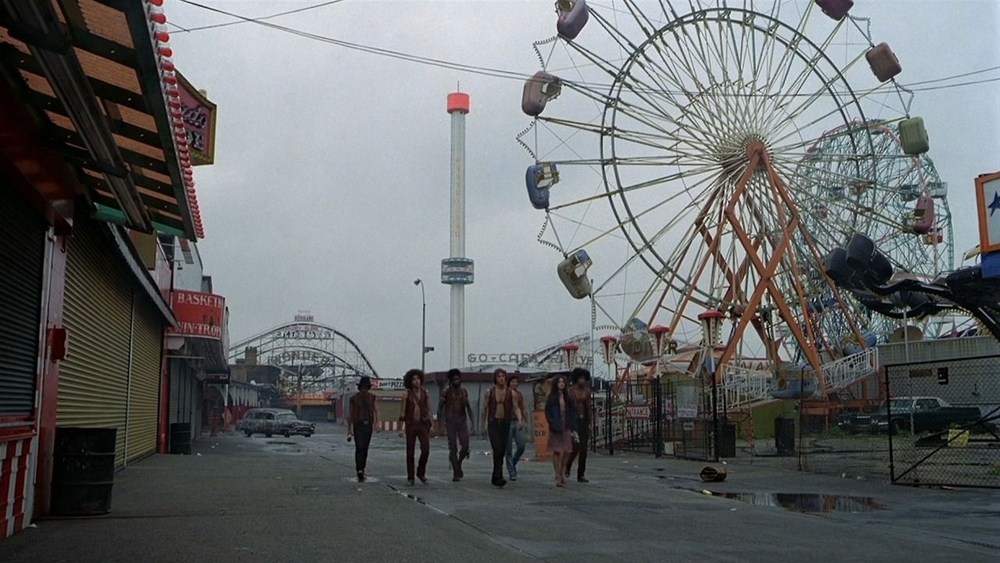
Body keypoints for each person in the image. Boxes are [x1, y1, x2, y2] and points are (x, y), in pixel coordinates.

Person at [481, 368, 522, 487]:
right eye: (499, 376)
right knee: (497, 449)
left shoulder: (511, 393)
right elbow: (484, 409)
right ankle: (499, 476)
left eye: (503, 376)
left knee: (502, 451)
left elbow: (516, 407)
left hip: (505, 423)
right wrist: (483, 425)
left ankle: (496, 476)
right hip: (493, 422)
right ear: (495, 378)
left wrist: (520, 419)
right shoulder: (490, 392)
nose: (501, 378)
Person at [438, 369, 474, 481]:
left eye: (458, 379)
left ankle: (458, 464)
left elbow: (468, 407)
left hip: (462, 421)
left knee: (465, 446)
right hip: (450, 422)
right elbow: (440, 408)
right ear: (451, 380)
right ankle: (455, 472)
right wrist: (441, 425)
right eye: (454, 379)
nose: (456, 381)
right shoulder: (446, 392)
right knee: (453, 448)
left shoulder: (464, 391)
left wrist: (472, 423)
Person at [399, 369, 432, 485]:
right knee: (410, 452)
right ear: (410, 381)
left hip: (423, 425)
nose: (416, 381)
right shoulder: (406, 394)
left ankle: (421, 472)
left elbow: (428, 409)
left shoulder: (425, 393)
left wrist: (431, 425)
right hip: (411, 425)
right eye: (413, 379)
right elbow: (402, 412)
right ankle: (410, 477)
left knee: (426, 450)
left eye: (418, 378)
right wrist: (400, 428)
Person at [545, 375, 578, 487]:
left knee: (568, 450)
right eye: (559, 382)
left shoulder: (568, 397)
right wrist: (552, 423)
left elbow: (573, 412)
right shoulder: (552, 397)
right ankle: (557, 475)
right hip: (556, 426)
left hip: (566, 426)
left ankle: (562, 471)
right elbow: (548, 412)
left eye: (563, 382)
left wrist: (574, 426)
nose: (561, 384)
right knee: (557, 451)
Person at [347, 376, 380, 482]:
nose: (364, 389)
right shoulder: (354, 399)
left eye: (366, 387)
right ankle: (359, 469)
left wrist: (377, 423)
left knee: (365, 447)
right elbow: (351, 415)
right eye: (363, 387)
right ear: (360, 387)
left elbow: (376, 410)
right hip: (358, 425)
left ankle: (362, 468)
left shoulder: (372, 398)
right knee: (359, 446)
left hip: (368, 425)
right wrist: (349, 430)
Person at [565, 367, 592, 483]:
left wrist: (590, 421)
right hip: (573, 421)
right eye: (580, 378)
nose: (582, 380)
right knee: (575, 446)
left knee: (584, 449)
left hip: (584, 421)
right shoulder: (570, 391)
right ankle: (568, 465)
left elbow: (589, 407)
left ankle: (581, 474)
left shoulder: (587, 391)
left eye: (584, 378)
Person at [505, 374, 528, 481]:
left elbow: (522, 407)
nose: (514, 384)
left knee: (521, 445)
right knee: (508, 448)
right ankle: (511, 471)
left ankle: (513, 463)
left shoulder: (519, 394)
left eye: (516, 382)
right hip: (507, 422)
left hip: (518, 422)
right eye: (512, 382)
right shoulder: (505, 393)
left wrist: (525, 421)